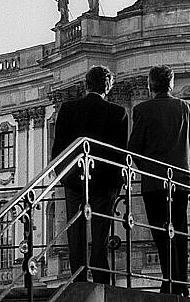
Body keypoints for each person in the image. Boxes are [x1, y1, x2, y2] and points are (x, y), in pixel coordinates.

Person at [51, 65, 128, 284]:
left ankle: (79, 278)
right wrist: (117, 184)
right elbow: (120, 154)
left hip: (75, 180)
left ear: (86, 85)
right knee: (100, 234)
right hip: (105, 184)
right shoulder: (118, 112)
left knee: (76, 232)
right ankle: (102, 279)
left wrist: (65, 175)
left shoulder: (67, 109)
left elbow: (58, 150)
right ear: (109, 87)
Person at [128, 65, 190, 297]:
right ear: (171, 84)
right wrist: (181, 167)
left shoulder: (142, 110)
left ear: (150, 85)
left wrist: (148, 170)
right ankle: (182, 284)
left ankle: (168, 281)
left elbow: (134, 149)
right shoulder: (188, 109)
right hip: (180, 180)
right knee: (180, 232)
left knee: (160, 234)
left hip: (154, 184)